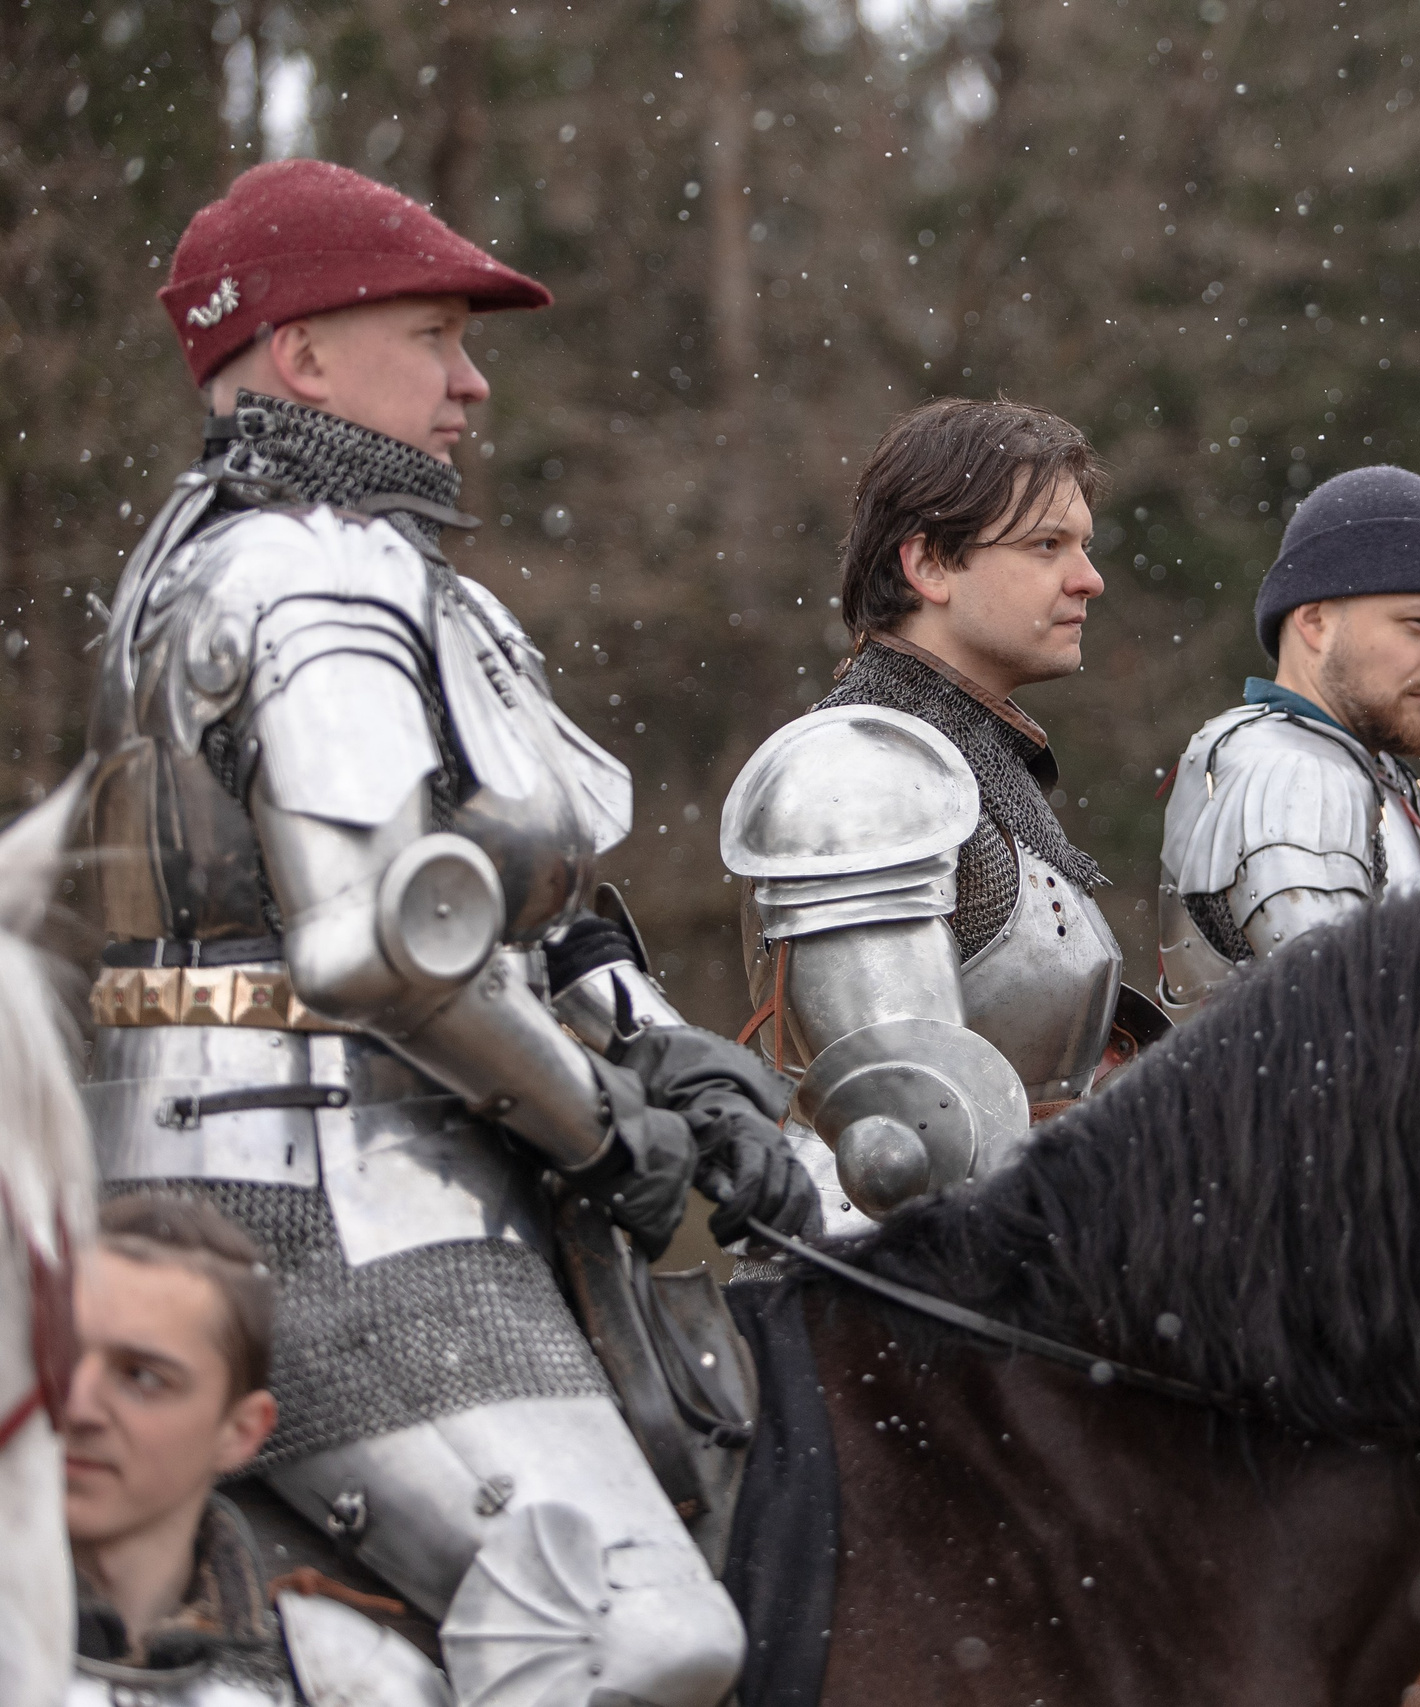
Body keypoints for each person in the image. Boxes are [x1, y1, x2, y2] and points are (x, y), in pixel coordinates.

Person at [80, 158, 810, 1707]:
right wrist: (599, 1123)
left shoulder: (403, 580)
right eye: (433, 338)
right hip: (315, 1199)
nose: (471, 384)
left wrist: (673, 1054)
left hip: (396, 1160)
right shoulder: (303, 568)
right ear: (300, 354)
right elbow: (381, 947)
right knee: (633, 1634)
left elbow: (525, 912)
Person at [721, 398, 1136, 1223]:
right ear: (930, 566)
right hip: (891, 1274)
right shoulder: (861, 775)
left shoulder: (972, 765)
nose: (1088, 577)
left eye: (1084, 546)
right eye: (1047, 545)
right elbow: (909, 1144)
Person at [65, 1192, 445, 1705]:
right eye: (54, 1357)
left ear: (239, 1431)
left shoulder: (350, 1685)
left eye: (143, 1376)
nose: (76, 1406)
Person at [1153, 466, 1420, 1017]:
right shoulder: (1293, 775)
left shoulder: (1362, 772)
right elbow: (1345, 1026)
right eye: (1419, 623)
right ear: (1314, 622)